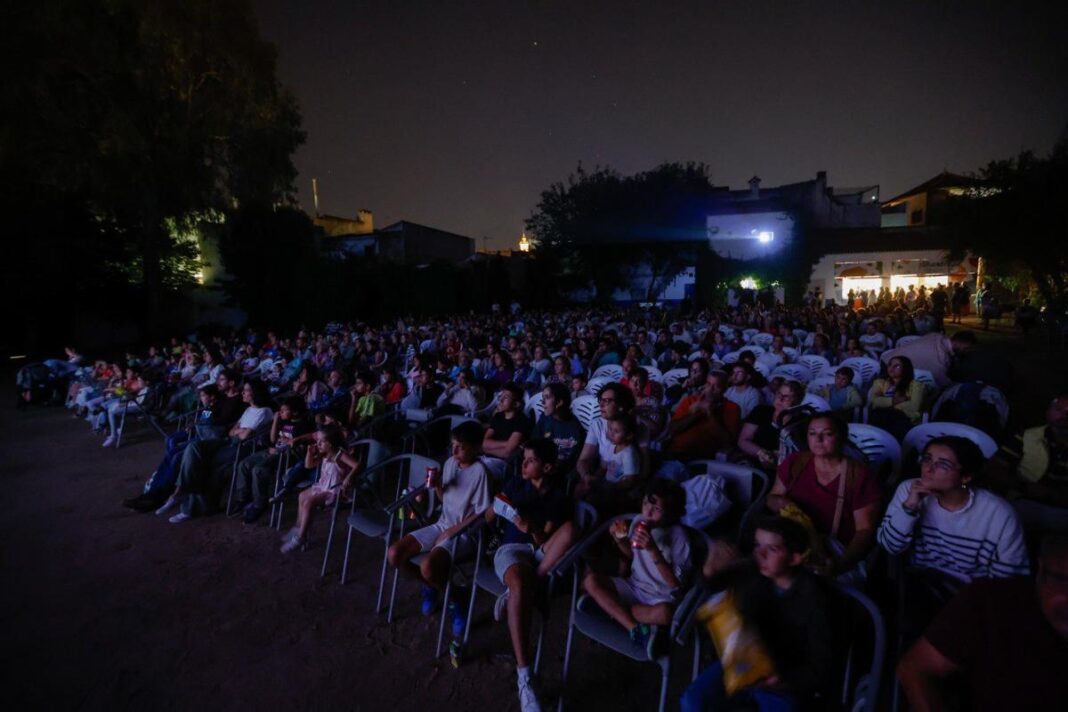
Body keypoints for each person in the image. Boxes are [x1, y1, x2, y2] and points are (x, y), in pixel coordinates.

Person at [897, 536, 1068, 712]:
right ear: (1040, 572)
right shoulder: (991, 603)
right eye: (1061, 579)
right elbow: (915, 668)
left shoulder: (1000, 518)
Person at [681, 517, 833, 712]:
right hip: (743, 662)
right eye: (758, 545)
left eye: (772, 549)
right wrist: (710, 569)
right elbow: (711, 584)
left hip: (782, 676)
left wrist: (783, 679)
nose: (760, 554)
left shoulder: (815, 599)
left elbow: (821, 667)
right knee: (693, 700)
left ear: (795, 558)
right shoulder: (753, 570)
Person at [488, 439, 576, 712]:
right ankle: (524, 674)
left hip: (539, 551)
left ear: (547, 467)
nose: (523, 464)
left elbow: (545, 537)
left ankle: (521, 590)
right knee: (518, 581)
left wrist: (531, 527)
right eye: (523, 459)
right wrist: (501, 506)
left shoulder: (557, 496)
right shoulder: (516, 484)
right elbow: (491, 516)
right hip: (511, 550)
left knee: (571, 529)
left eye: (530, 460)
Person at [386, 420, 492, 635]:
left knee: (427, 566)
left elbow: (483, 513)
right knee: (394, 553)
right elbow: (446, 500)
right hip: (442, 524)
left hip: (464, 533)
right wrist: (436, 487)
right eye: (453, 445)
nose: (454, 451)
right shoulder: (451, 463)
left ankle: (457, 601)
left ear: (475, 447)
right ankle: (438, 587)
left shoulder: (480, 472)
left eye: (460, 446)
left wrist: (453, 531)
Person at [878, 436, 1030, 582]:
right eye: (927, 459)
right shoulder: (909, 490)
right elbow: (890, 546)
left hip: (972, 593)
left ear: (966, 477)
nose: (928, 469)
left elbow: (1007, 580)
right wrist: (909, 507)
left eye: (943, 464)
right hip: (920, 583)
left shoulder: (999, 514)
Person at [581, 479, 691, 657]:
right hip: (634, 587)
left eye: (656, 509)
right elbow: (631, 556)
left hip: (658, 598)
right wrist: (620, 540)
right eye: (646, 503)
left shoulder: (680, 539)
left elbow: (676, 586)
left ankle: (610, 610)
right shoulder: (639, 521)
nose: (647, 511)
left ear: (670, 514)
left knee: (665, 614)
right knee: (591, 580)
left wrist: (653, 550)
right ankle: (635, 629)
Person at [767, 414, 881, 576]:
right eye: (812, 433)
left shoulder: (858, 476)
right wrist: (784, 504)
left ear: (841, 437)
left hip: (833, 553)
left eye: (827, 434)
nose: (818, 439)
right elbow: (772, 497)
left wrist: (840, 565)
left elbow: (865, 530)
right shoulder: (795, 463)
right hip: (793, 545)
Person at [995, 394, 1068, 538]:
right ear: (1048, 412)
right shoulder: (1027, 436)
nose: (1064, 416)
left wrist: (1054, 495)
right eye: (1059, 409)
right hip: (1024, 501)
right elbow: (995, 467)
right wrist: (1024, 487)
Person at [280, 425, 361, 553]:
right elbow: (308, 465)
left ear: (331, 443)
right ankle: (299, 528)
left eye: (321, 441)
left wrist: (348, 478)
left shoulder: (340, 455)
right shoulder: (325, 454)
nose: (318, 443)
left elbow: (357, 465)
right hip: (323, 487)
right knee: (301, 496)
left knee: (308, 502)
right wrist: (309, 453)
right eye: (318, 441)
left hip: (335, 492)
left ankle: (300, 537)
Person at [660, 371, 740, 460]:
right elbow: (673, 429)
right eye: (708, 384)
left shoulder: (732, 408)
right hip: (676, 453)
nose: (710, 389)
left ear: (725, 389)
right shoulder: (690, 401)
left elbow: (728, 442)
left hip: (703, 459)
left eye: (716, 386)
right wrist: (698, 413)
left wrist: (710, 413)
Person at [737, 381, 804, 471]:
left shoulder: (801, 422)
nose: (781, 399)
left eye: (787, 397)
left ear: (797, 402)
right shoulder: (761, 411)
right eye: (779, 394)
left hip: (782, 467)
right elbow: (743, 441)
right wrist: (762, 453)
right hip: (751, 460)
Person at [867, 355, 929, 439]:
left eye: (897, 366)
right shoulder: (879, 383)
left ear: (905, 368)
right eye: (890, 365)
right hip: (881, 417)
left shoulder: (916, 385)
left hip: (905, 420)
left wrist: (887, 403)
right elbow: (874, 400)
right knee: (878, 415)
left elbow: (914, 406)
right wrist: (898, 400)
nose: (891, 368)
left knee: (893, 416)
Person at [531, 383, 585, 475]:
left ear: (559, 402)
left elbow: (573, 460)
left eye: (547, 397)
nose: (542, 402)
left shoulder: (575, 428)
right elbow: (534, 443)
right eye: (543, 398)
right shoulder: (544, 418)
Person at [482, 382, 533, 479]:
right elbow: (484, 443)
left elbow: (507, 453)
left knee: (479, 473)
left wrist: (487, 449)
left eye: (506, 397)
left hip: (502, 463)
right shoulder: (498, 416)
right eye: (501, 396)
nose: (501, 400)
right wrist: (507, 443)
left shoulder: (521, 421)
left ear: (516, 403)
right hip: (485, 458)